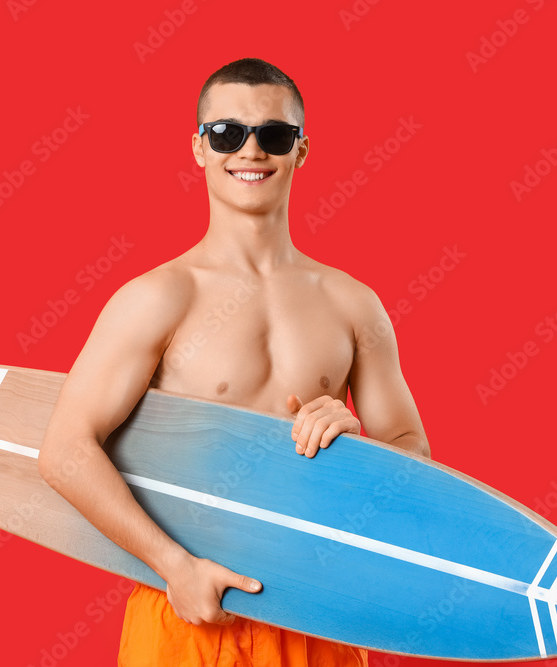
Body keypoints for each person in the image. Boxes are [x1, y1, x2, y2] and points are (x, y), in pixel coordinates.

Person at [38, 57, 430, 666]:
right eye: (226, 133)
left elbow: (412, 453)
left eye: (274, 135)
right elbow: (65, 450)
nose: (251, 151)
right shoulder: (159, 297)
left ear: (301, 151)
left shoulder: (352, 302)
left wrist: (361, 447)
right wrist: (173, 565)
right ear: (198, 148)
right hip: (184, 611)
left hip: (316, 611)